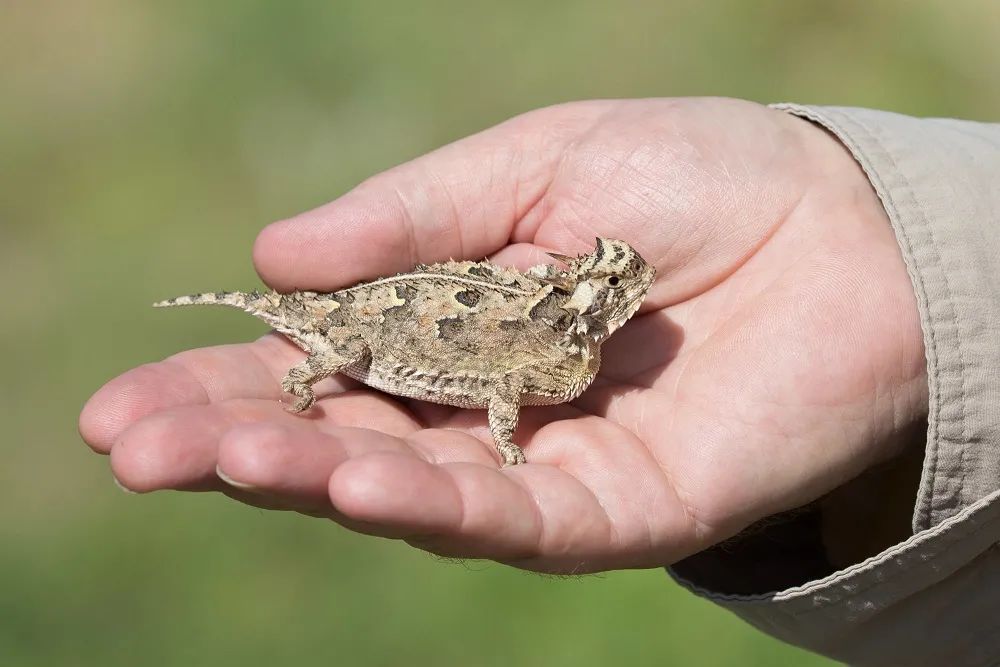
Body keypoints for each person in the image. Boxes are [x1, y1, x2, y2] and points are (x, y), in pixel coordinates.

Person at [79, 98, 1000, 666]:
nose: (635, 291)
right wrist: (505, 444)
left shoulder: (574, 342)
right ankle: (315, 360)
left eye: (623, 280)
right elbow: (506, 389)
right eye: (618, 281)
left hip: (438, 319)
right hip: (374, 327)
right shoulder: (557, 351)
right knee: (340, 346)